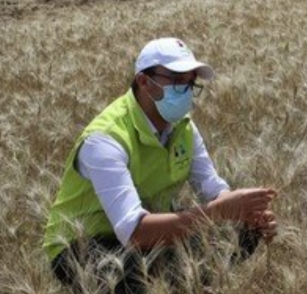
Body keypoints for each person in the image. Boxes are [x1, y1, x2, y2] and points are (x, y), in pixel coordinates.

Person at [44, 37, 277, 294]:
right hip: (83, 246)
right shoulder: (105, 139)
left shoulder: (183, 127)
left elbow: (212, 187)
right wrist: (217, 212)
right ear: (145, 82)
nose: (187, 91)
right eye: (177, 81)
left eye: (191, 83)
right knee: (147, 272)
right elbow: (134, 232)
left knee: (240, 234)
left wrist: (248, 213)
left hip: (144, 239)